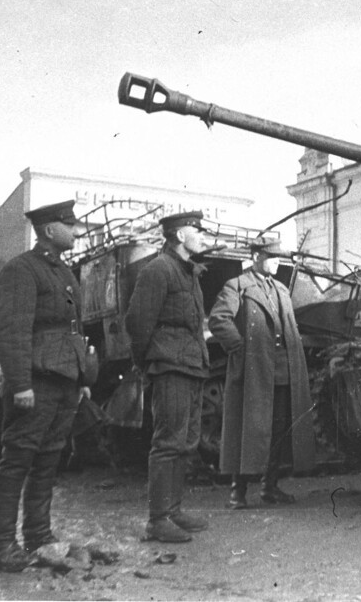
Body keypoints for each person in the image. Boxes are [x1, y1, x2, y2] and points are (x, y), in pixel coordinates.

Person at [0, 200, 93, 572]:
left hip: (63, 381)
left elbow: (73, 330)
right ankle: (2, 545)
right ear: (49, 230)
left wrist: (81, 379)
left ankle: (38, 536)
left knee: (48, 461)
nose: (76, 231)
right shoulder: (22, 269)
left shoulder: (62, 270)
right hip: (35, 381)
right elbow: (10, 331)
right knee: (17, 461)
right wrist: (19, 384)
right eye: (69, 225)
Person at [208, 239, 315, 509]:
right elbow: (219, 319)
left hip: (283, 369)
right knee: (247, 428)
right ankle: (238, 492)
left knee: (278, 430)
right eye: (271, 257)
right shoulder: (237, 286)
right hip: (253, 372)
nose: (277, 262)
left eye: (279, 258)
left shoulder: (281, 289)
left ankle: (270, 487)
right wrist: (239, 347)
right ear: (256, 256)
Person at [125, 211, 211, 543]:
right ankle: (158, 519)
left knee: (186, 442)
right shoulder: (158, 269)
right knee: (168, 443)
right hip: (170, 366)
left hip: (190, 366)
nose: (202, 236)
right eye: (197, 231)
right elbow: (138, 322)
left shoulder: (188, 272)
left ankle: (173, 511)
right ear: (179, 235)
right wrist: (146, 363)